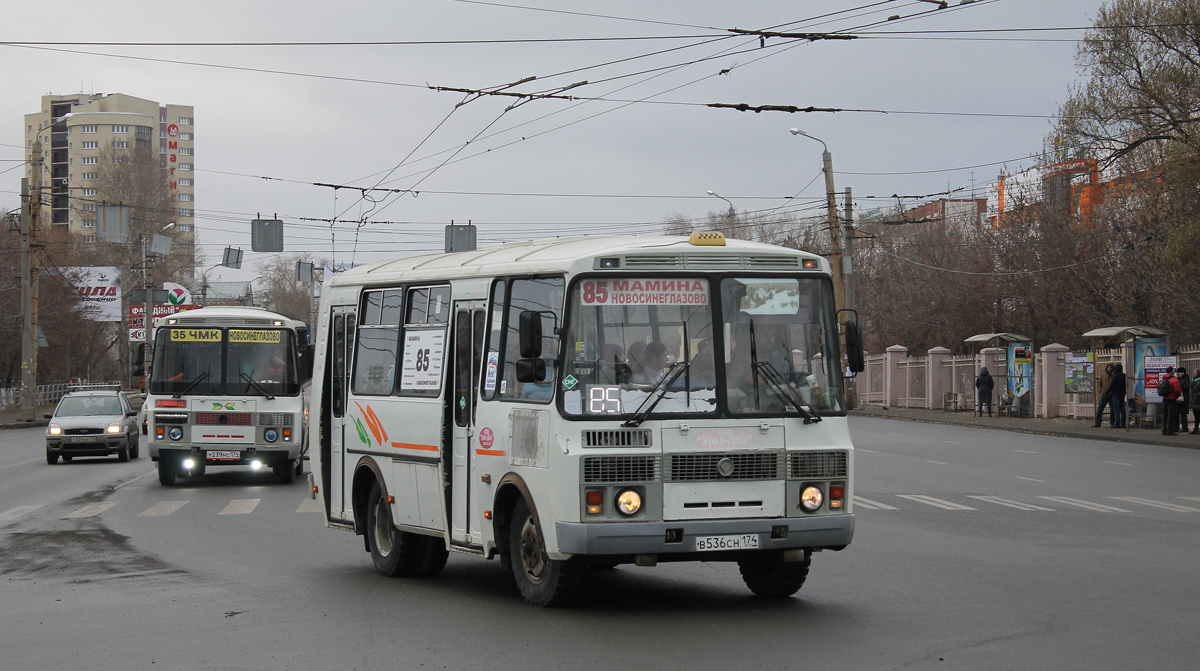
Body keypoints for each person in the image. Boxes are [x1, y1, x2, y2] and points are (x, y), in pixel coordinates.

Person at [1105, 363, 1127, 428]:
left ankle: (1117, 423)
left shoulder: (1115, 376)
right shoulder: (1124, 376)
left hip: (1116, 394)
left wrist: (1107, 392)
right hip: (1122, 394)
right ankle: (1123, 423)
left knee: (1116, 409)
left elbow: (1112, 385)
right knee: (1122, 409)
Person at [1093, 363, 1115, 427]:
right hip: (1104, 394)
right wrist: (1101, 391)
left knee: (1112, 409)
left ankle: (1112, 422)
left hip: (1111, 394)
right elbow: (1100, 384)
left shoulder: (1114, 376)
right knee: (1100, 408)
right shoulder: (1103, 375)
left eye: (1110, 367)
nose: (1109, 369)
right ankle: (1098, 422)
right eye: (1108, 367)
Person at [1161, 369, 1182, 435]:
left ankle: (1164, 430)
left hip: (1165, 398)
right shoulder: (1174, 380)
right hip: (1172, 399)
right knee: (1171, 415)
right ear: (1172, 372)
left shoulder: (1164, 379)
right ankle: (1170, 430)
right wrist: (1177, 396)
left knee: (1165, 415)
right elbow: (1177, 390)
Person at [1176, 367, 1191, 434]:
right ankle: (1176, 427)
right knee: (1176, 413)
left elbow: (1187, 386)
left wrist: (1179, 386)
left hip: (1184, 398)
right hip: (1178, 398)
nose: (1178, 374)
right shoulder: (1177, 379)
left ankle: (1185, 428)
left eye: (1179, 372)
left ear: (1182, 373)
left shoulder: (1186, 379)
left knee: (1183, 413)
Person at [1190, 368, 1200, 435]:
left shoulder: (1199, 381)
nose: (1194, 374)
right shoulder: (1194, 381)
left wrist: (1197, 395)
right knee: (1196, 415)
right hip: (1194, 401)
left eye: (1195, 373)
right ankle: (1196, 428)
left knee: (1199, 415)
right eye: (1193, 373)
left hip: (1198, 400)